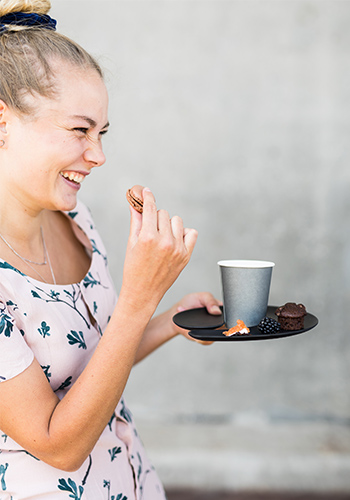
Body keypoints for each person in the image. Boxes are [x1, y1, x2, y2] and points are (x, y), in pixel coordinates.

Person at [0, 1, 221, 498]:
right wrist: (141, 295)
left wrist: (169, 320)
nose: (98, 155)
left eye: (101, 133)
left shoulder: (74, 218)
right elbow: (57, 445)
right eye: (80, 130)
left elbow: (88, 365)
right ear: (2, 121)